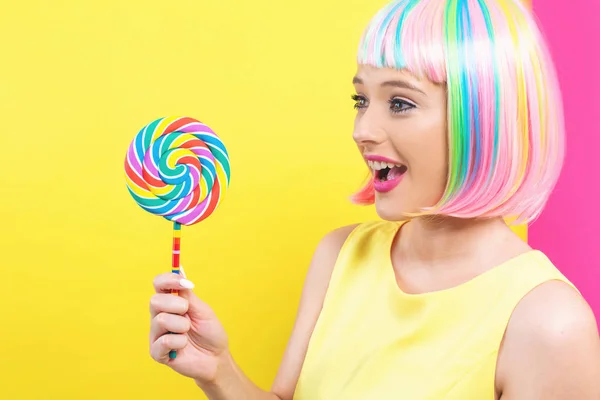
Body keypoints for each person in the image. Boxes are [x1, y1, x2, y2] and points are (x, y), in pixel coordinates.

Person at [148, 0, 600, 398]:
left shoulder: (549, 325)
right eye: (360, 99)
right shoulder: (340, 255)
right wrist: (217, 371)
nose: (361, 130)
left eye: (400, 103)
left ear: (482, 120)